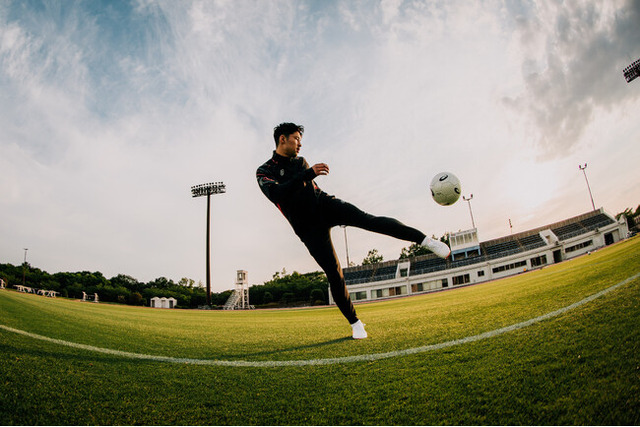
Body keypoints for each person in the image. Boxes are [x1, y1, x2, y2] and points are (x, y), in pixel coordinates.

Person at [256, 122, 450, 339]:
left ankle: (426, 241)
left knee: (369, 220)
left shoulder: (300, 162)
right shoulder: (264, 171)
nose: (300, 144)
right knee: (334, 272)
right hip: (307, 227)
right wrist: (307, 174)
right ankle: (356, 323)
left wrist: (306, 174)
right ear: (282, 139)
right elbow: (278, 194)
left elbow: (305, 191)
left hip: (325, 205)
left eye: (300, 140)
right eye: (296, 139)